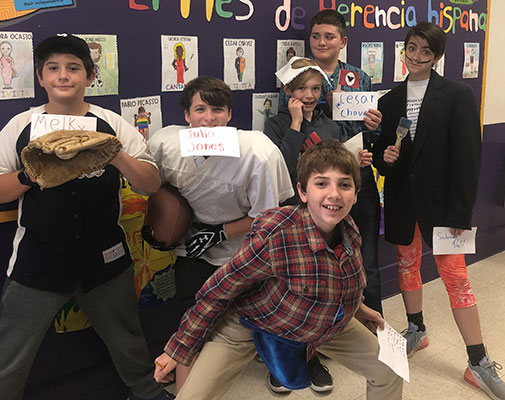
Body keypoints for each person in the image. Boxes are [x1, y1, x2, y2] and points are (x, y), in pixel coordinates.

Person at [153, 140, 403, 400]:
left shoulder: (349, 227)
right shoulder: (276, 235)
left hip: (319, 321)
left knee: (389, 370)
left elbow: (342, 277)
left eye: (344, 184)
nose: (334, 194)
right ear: (302, 192)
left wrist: (359, 308)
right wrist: (178, 348)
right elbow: (218, 291)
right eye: (321, 183)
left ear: (355, 193)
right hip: (249, 325)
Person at [0, 34, 173, 400]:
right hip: (38, 259)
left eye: (74, 67)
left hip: (104, 256)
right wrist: (31, 175)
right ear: (41, 77)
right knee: (10, 350)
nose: (63, 75)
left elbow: (151, 183)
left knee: (129, 339)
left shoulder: (109, 122)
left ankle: (147, 392)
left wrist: (114, 154)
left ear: (91, 75)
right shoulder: (20, 126)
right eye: (53, 68)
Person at [372, 22, 505, 400]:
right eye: (410, 49)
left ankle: (477, 361)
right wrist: (386, 158)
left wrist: (462, 216)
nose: (415, 57)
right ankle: (417, 329)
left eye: (424, 52)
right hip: (402, 203)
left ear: (437, 56)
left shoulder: (457, 96)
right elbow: (386, 161)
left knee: (456, 278)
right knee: (406, 264)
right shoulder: (389, 101)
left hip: (443, 209)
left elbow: (468, 160)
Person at [146, 76, 294, 392]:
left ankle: (282, 364)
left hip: (248, 247)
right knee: (191, 323)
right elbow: (153, 187)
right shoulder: (167, 146)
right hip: (195, 246)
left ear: (229, 115)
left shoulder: (257, 152)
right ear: (186, 116)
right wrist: (159, 225)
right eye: (200, 109)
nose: (209, 118)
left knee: (266, 317)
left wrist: (220, 233)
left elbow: (267, 217)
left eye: (218, 110)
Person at [264, 56, 375, 393]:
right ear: (288, 90)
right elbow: (283, 164)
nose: (309, 95)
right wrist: (296, 124)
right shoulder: (276, 123)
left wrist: (357, 160)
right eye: (301, 88)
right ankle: (281, 361)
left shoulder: (330, 125)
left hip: (324, 221)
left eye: (315, 88)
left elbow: (337, 167)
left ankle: (312, 355)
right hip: (293, 215)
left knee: (317, 290)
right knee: (290, 291)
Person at [280, 9, 383, 318]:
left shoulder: (357, 77)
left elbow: (369, 134)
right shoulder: (295, 76)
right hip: (316, 183)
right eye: (316, 36)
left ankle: (373, 322)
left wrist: (374, 128)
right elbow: (288, 128)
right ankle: (327, 325)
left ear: (342, 41)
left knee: (365, 255)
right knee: (319, 259)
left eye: (329, 36)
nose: (322, 42)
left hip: (355, 177)